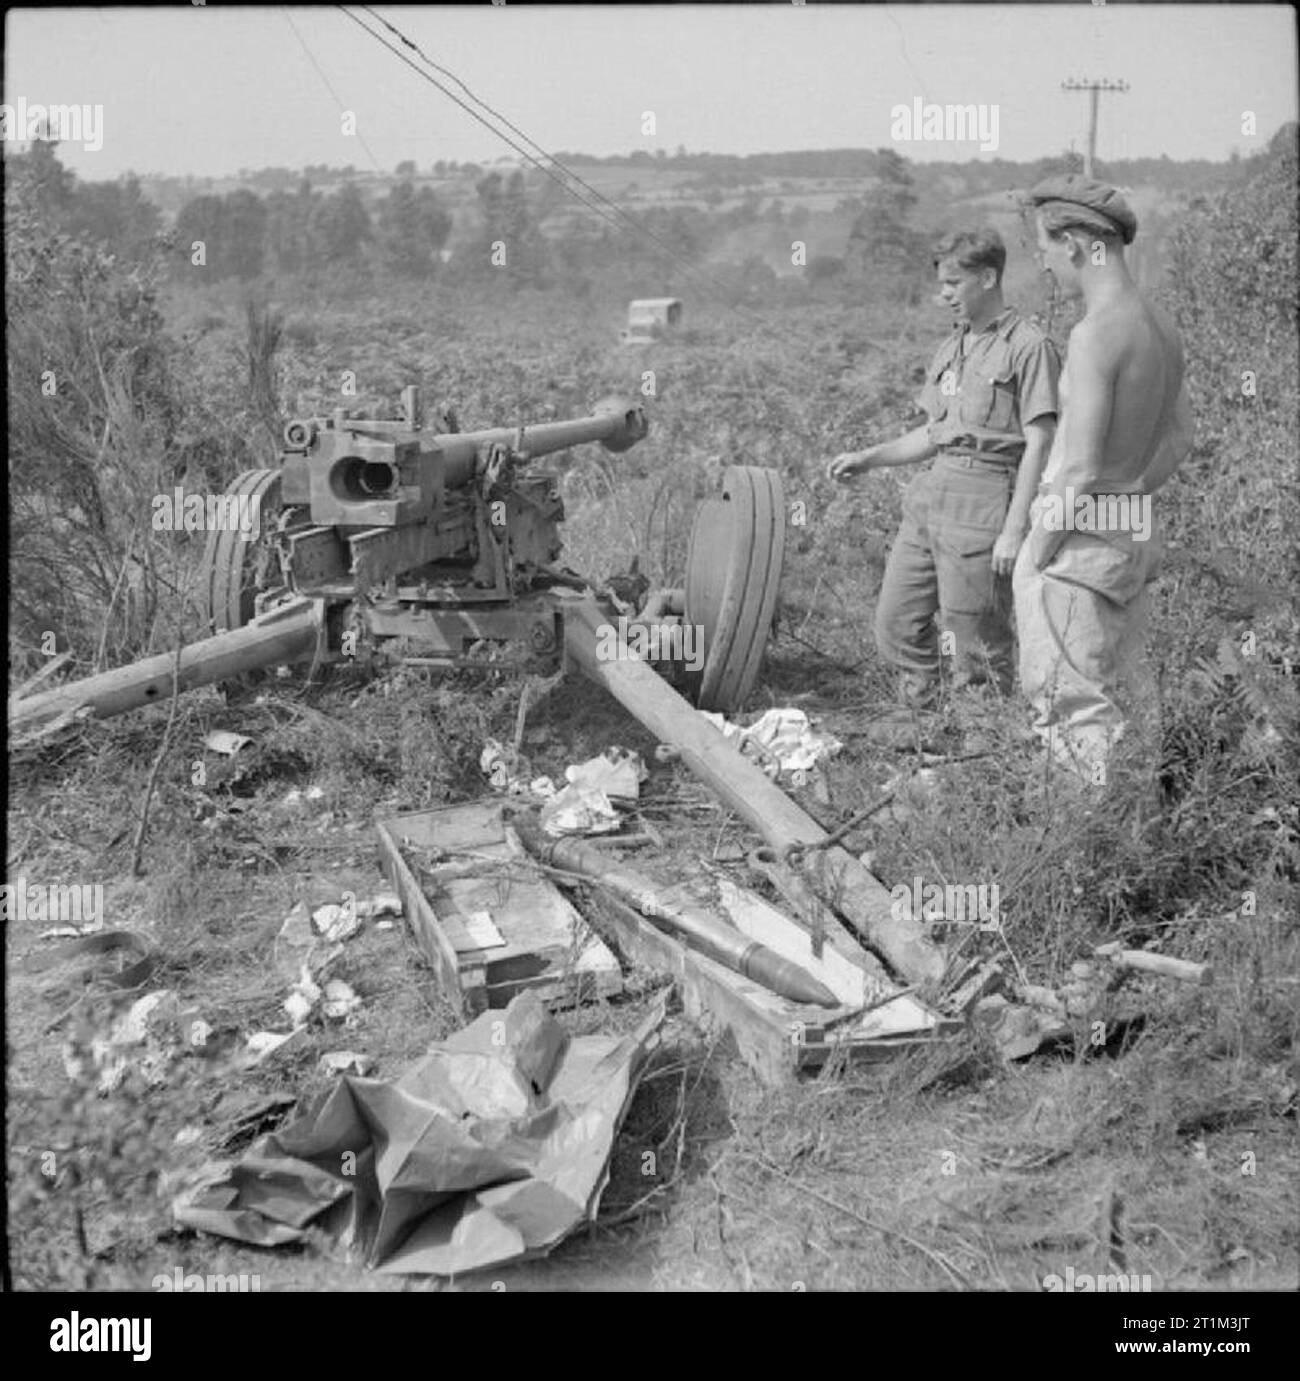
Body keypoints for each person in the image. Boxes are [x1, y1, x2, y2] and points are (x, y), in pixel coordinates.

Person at [826, 228, 1059, 706]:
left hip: (986, 496)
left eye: (953, 283)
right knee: (895, 621)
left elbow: (1040, 441)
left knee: (973, 635)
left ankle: (980, 743)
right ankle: (921, 716)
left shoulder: (1028, 345)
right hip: (933, 496)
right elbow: (934, 433)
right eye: (941, 284)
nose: (943, 295)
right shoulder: (952, 347)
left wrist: (1015, 528)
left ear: (988, 277)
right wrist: (870, 458)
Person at [1015, 175, 1191, 784]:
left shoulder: (1095, 334)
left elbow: (1082, 468)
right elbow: (1179, 439)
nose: (1043, 262)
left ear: (1073, 244)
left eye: (1042, 248)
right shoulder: (1162, 328)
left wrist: (1036, 553)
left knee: (1073, 712)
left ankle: (1084, 863)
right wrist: (1128, 500)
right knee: (1131, 706)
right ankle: (1137, 851)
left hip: (1076, 546)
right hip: (1128, 535)